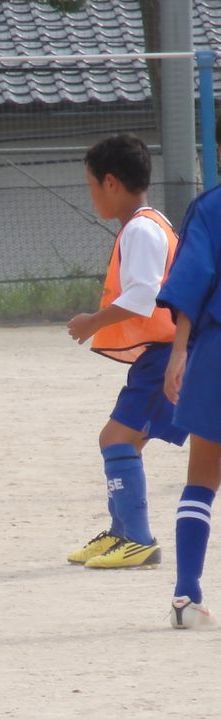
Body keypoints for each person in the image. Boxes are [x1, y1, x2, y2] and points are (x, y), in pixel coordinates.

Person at [65, 134, 182, 570]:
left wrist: (91, 322)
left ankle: (137, 538)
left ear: (111, 183)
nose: (92, 194)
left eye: (92, 185)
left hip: (165, 357)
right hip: (161, 355)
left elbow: (142, 296)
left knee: (115, 439)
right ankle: (122, 532)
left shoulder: (141, 229)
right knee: (122, 442)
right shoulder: (148, 224)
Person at [158, 124, 221, 627]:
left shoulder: (209, 207)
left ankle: (185, 595)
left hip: (216, 352)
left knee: (201, 479)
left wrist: (179, 353)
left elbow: (191, 285)